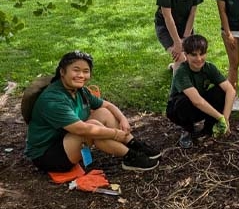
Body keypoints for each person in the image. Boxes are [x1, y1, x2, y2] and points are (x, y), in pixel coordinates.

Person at [25, 51, 161, 173]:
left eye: (86, 71)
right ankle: (130, 157)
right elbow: (81, 129)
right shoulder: (53, 100)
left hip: (66, 139)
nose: (81, 75)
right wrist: (115, 133)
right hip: (48, 155)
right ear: (62, 71)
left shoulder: (80, 91)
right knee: (92, 126)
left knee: (103, 112)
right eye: (76, 70)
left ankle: (133, 144)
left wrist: (123, 119)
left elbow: (106, 105)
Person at [166, 35, 236, 148]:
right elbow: (196, 101)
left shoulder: (209, 68)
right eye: (194, 55)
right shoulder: (181, 72)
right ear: (186, 55)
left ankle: (208, 129)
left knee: (221, 92)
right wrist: (220, 117)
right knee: (183, 102)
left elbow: (231, 91)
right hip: (178, 110)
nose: (199, 59)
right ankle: (187, 131)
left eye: (202, 54)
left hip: (199, 106)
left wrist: (226, 118)